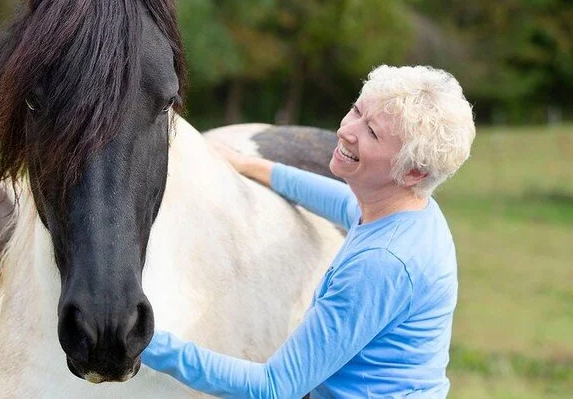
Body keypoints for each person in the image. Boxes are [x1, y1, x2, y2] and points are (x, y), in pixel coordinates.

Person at [142, 65, 476, 398]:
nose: (346, 130)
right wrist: (251, 165)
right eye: (357, 110)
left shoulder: (382, 262)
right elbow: (339, 201)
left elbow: (274, 386)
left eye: (372, 132)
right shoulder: (410, 212)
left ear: (413, 174)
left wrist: (146, 340)